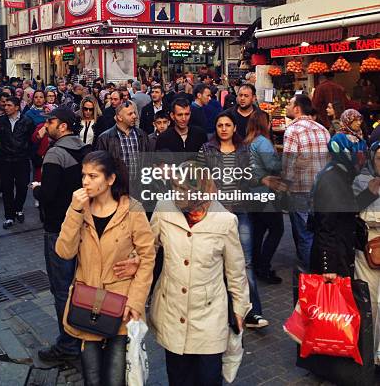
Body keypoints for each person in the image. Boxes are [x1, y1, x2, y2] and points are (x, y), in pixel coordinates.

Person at [55, 151, 155, 386]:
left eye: (93, 176)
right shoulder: (80, 209)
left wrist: (136, 301)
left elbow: (147, 256)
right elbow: (64, 251)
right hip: (87, 303)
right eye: (83, 176)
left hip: (120, 306)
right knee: (92, 378)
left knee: (115, 379)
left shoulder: (132, 209)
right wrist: (74, 211)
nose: (86, 182)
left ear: (110, 179)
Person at [149, 162, 251, 385]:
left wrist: (240, 309)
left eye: (184, 189)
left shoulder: (225, 221)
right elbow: (148, 249)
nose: (178, 194)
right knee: (178, 378)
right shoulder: (164, 208)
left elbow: (236, 271)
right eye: (175, 187)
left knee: (208, 378)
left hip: (209, 315)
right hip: (172, 310)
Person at [198, 112, 269, 329]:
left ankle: (252, 312)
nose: (224, 129)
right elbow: (201, 178)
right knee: (215, 263)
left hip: (240, 211)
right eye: (219, 125)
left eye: (228, 125)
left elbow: (250, 176)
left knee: (245, 262)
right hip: (216, 212)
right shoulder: (207, 149)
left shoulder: (244, 150)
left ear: (234, 128)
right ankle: (218, 311)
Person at [32, 108, 91, 364]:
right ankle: (87, 336)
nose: (48, 125)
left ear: (64, 126)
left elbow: (49, 194)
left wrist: (36, 190)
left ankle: (68, 343)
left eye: (51, 121)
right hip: (84, 226)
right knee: (83, 284)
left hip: (59, 228)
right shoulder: (84, 150)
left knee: (61, 288)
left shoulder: (56, 154)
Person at [310, 135, 380, 279]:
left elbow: (346, 210)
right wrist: (328, 266)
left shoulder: (340, 175)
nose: (361, 161)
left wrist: (369, 193)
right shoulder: (332, 180)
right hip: (335, 256)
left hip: (341, 251)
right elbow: (325, 226)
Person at [283, 94, 330, 270]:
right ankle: (322, 269)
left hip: (301, 189)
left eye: (289, 104)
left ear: (297, 109)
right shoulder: (322, 129)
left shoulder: (292, 131)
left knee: (305, 234)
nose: (287, 107)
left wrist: (285, 186)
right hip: (322, 190)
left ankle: (311, 275)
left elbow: (288, 163)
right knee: (319, 232)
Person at [245, 110, 285, 284]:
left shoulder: (248, 142)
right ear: (265, 124)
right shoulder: (263, 142)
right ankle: (264, 266)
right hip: (264, 193)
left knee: (259, 230)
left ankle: (256, 264)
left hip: (252, 193)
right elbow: (272, 165)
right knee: (277, 229)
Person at [354, 141, 380, 367]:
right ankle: (370, 355)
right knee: (369, 302)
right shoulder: (362, 180)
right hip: (369, 249)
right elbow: (356, 209)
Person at [0, 96, 34, 229]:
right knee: (7, 188)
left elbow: (31, 138)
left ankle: (18, 208)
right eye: (5, 105)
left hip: (21, 159)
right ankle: (9, 216)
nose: (6, 107)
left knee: (22, 186)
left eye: (9, 105)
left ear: (17, 107)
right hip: (5, 159)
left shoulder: (27, 121)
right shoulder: (0, 121)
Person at [96, 101, 150, 180]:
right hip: (117, 187)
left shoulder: (142, 135)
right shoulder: (105, 138)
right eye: (130, 114)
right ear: (119, 117)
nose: (134, 116)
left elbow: (148, 161)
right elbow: (101, 166)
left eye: (134, 113)